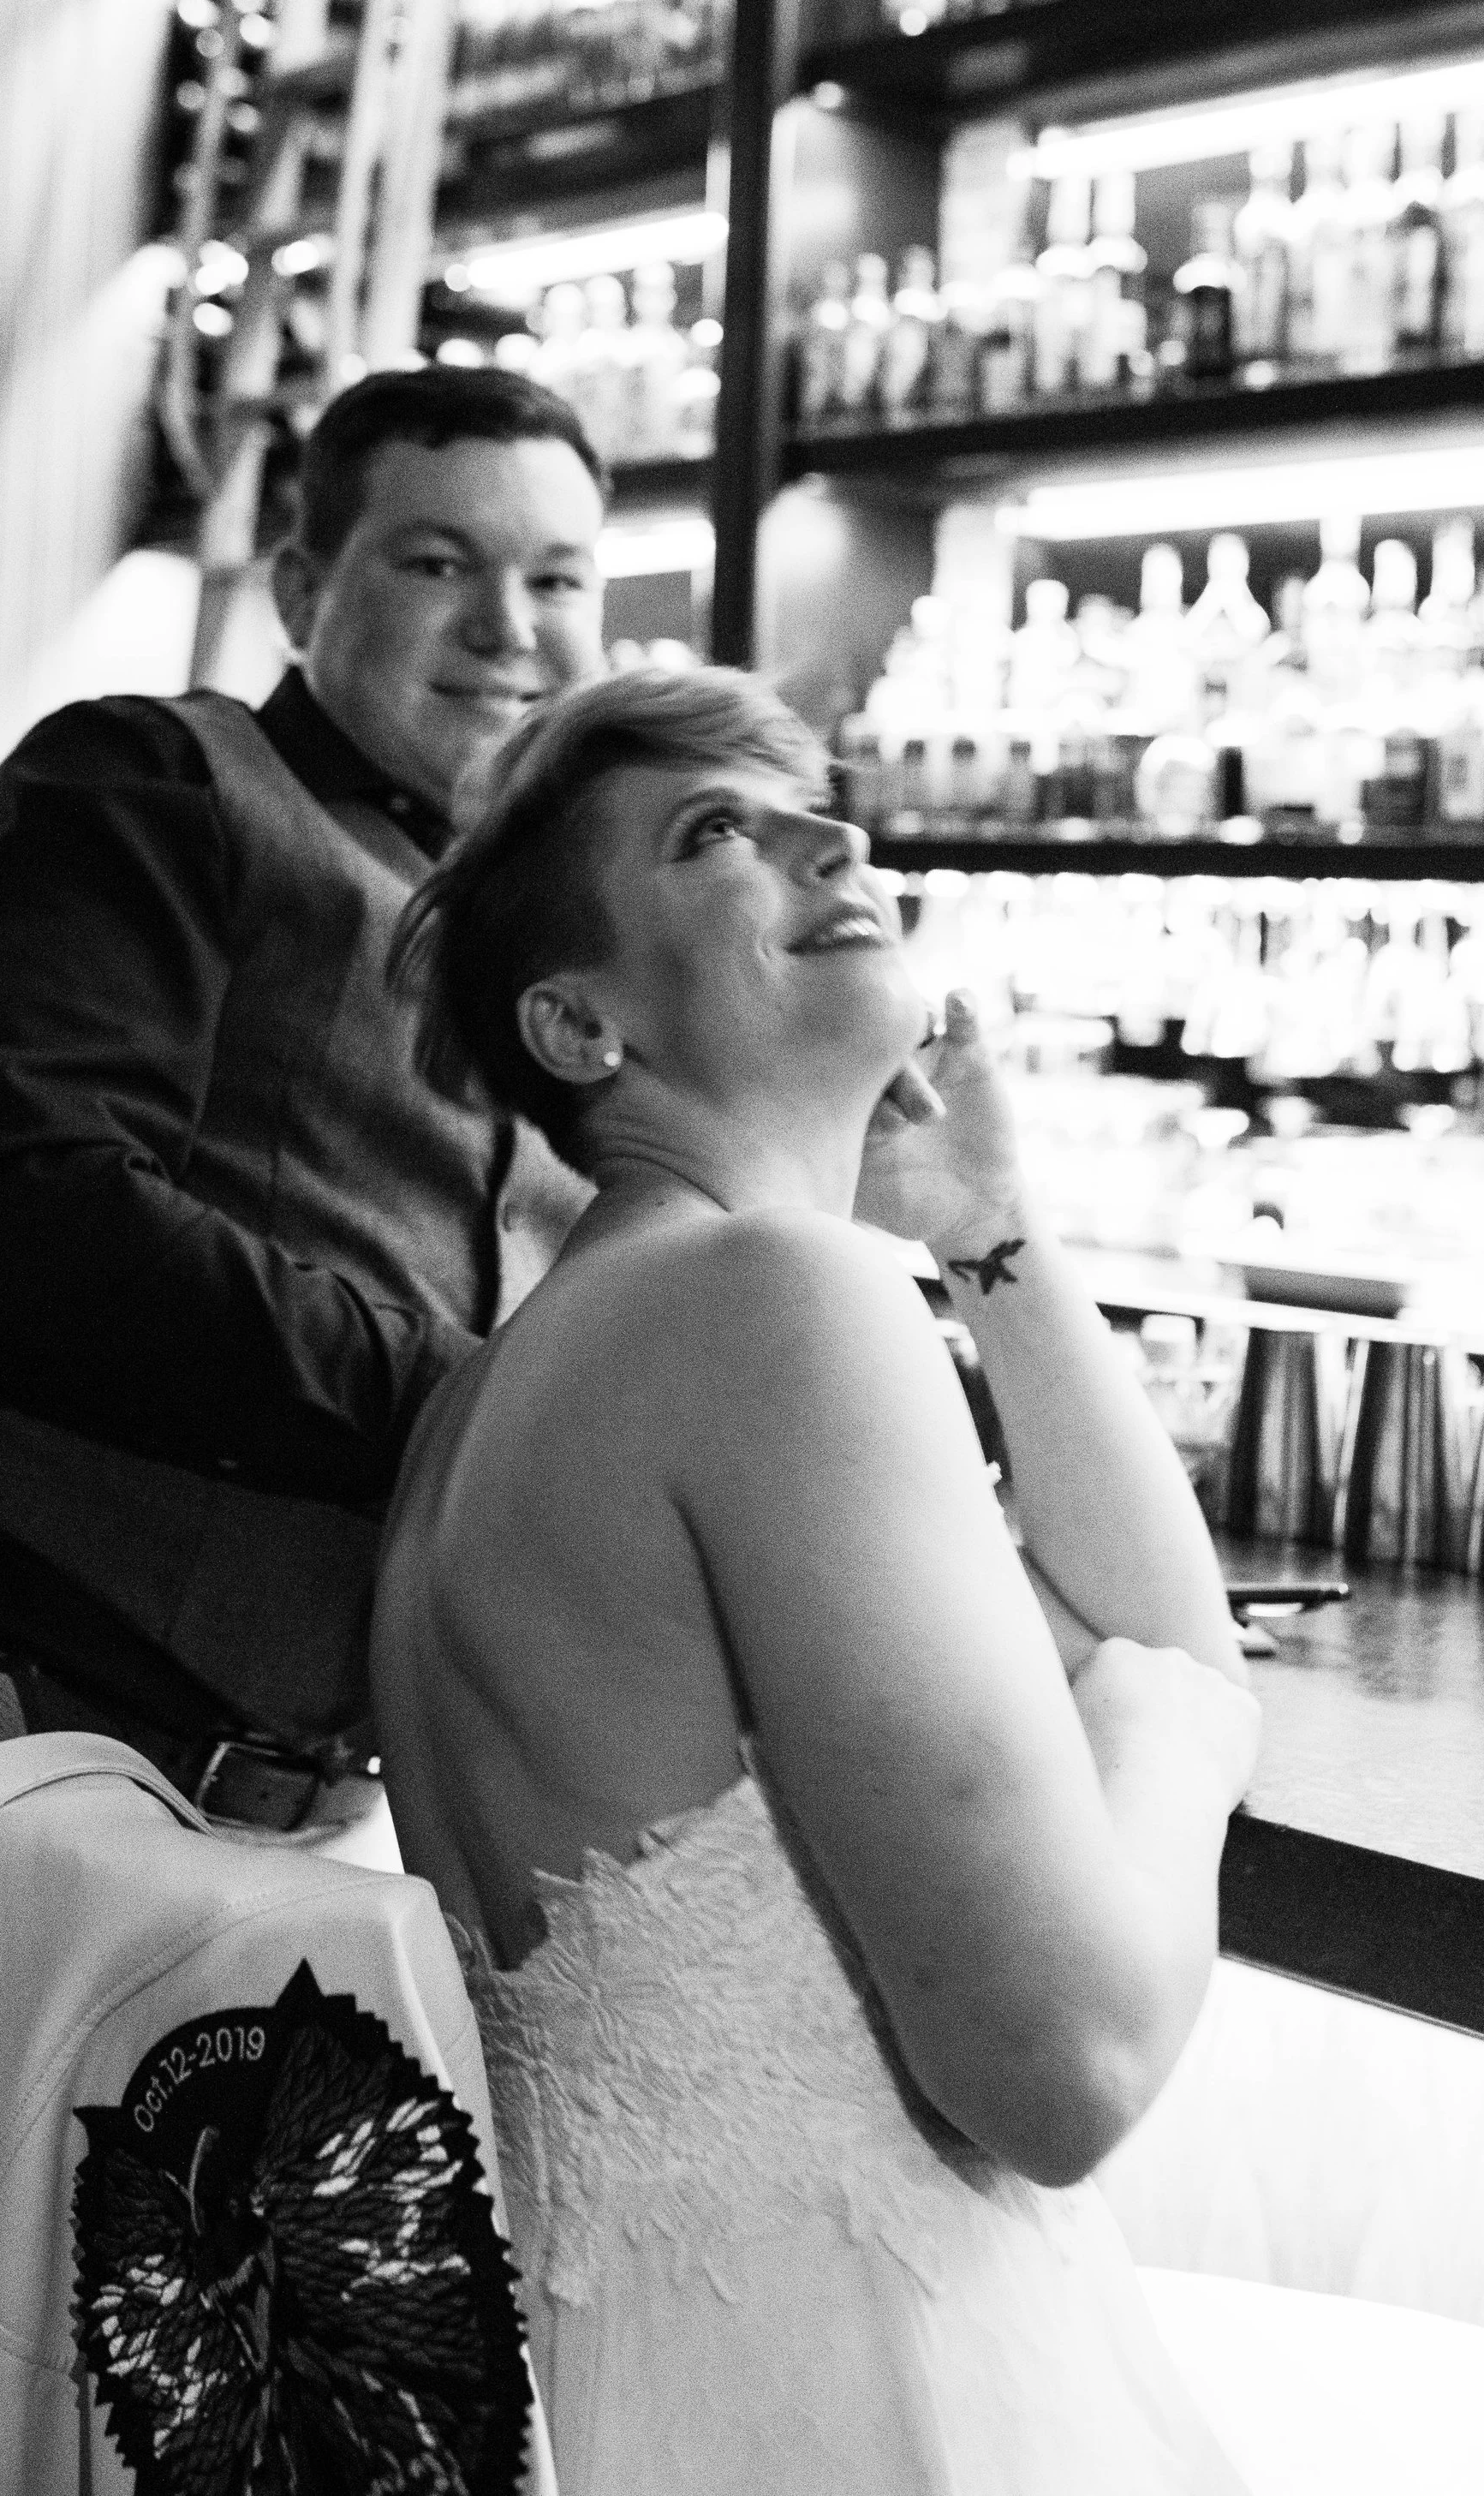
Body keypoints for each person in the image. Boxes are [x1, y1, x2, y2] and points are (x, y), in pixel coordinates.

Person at [0, 363, 607, 2486]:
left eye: (557, 576)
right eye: (435, 561)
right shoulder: (145, 785)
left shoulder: (528, 967)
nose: (506, 624)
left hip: (230, 1842)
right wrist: (488, 1414)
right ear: (298, 578)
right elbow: (25, 1221)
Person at [372, 664, 1263, 2493]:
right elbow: (1063, 2066)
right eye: (719, 834)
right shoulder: (767, 1303)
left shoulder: (527, 1366)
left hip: (604, 2379)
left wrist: (987, 1226)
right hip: (847, 2398)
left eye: (812, 806)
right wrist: (1174, 1751)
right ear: (574, 1022)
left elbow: (1157, 1626)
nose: (831, 838)